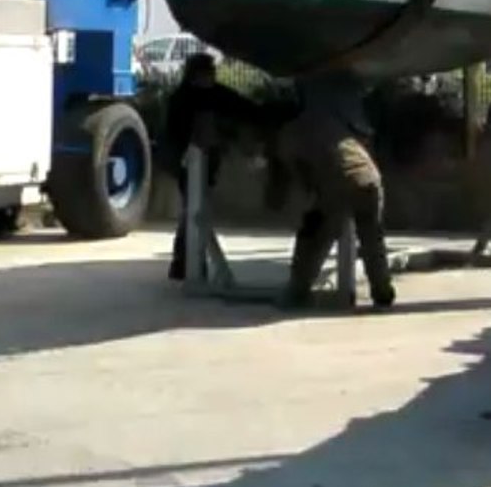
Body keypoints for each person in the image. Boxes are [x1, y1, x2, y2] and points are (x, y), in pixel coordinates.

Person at [270, 74, 396, 309]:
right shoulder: (334, 120)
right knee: (372, 240)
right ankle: (383, 292)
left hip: (339, 185)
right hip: (370, 180)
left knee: (313, 237)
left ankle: (297, 292)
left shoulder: (289, 134)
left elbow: (299, 179)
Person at [161, 52, 261, 281]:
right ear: (197, 75)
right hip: (189, 162)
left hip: (203, 161)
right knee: (193, 211)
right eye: (208, 73)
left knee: (193, 212)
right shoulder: (184, 99)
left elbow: (245, 108)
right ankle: (188, 264)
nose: (211, 76)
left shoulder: (211, 95)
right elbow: (175, 133)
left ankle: (185, 264)